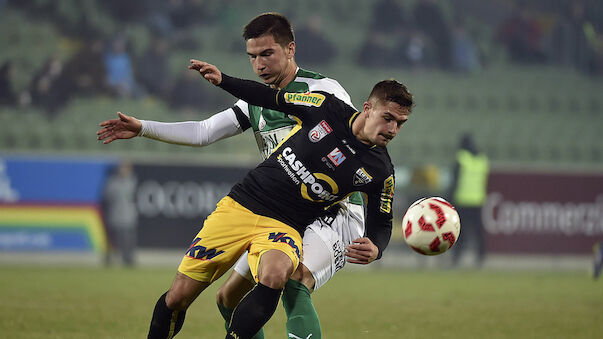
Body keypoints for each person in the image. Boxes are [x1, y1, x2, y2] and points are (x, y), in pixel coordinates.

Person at [97, 12, 367, 339]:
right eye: (252, 57)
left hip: (333, 208)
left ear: (290, 49)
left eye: (267, 54)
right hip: (279, 210)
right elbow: (204, 131)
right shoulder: (254, 102)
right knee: (227, 298)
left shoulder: (323, 90)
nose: (259, 65)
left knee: (293, 279)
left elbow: (355, 143)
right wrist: (143, 128)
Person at [142, 57, 412, 339]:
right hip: (243, 204)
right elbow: (269, 97)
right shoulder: (326, 106)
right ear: (368, 108)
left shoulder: (381, 171)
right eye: (388, 118)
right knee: (182, 297)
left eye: (400, 123)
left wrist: (377, 248)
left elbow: (382, 221)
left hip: (286, 224)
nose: (393, 130)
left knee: (277, 276)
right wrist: (224, 80)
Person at [449, 133, 489, 267]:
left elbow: (454, 181)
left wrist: (450, 197)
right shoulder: (482, 159)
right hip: (477, 200)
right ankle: (481, 257)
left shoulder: (461, 158)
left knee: (460, 232)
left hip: (462, 200)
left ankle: (456, 258)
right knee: (478, 231)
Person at [103, 161, 138, 266]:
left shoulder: (132, 181)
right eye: (122, 168)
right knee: (113, 240)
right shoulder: (113, 182)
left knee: (128, 240)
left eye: (126, 168)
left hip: (129, 215)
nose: (123, 171)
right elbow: (107, 197)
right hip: (115, 215)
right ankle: (109, 260)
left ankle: (128, 260)